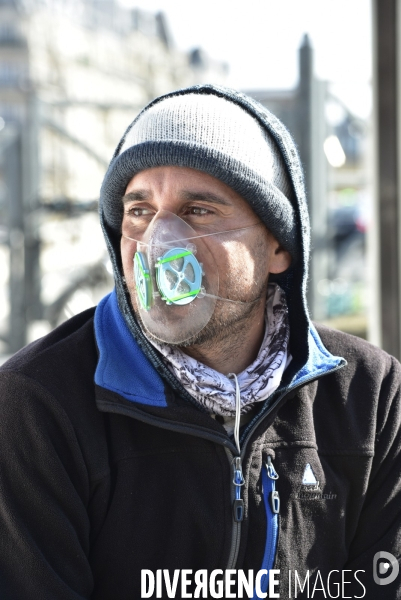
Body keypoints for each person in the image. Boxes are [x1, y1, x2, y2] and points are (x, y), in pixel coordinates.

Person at [0, 84, 400, 600]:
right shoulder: (38, 403)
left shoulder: (369, 397)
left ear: (277, 244)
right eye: (139, 211)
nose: (159, 245)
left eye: (198, 212)